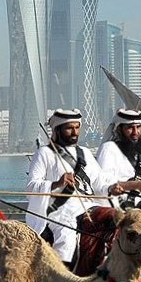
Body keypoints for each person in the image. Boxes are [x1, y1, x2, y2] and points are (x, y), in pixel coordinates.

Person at [25, 108, 110, 266]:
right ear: (58, 130)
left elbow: (100, 183)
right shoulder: (44, 153)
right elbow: (31, 187)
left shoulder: (85, 153)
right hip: (59, 211)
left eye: (77, 127)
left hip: (88, 206)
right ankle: (62, 275)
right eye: (69, 128)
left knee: (114, 218)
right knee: (66, 237)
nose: (74, 132)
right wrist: (57, 183)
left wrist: (114, 188)